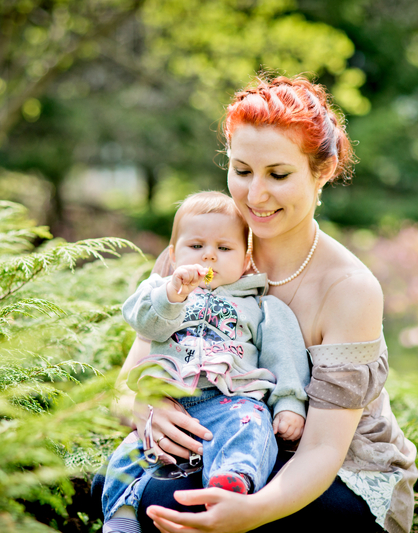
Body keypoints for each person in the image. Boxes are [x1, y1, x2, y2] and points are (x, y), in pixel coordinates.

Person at [101, 74, 418, 533]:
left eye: (279, 175)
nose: (255, 195)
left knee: (176, 503)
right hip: (219, 439)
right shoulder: (194, 253)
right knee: (135, 494)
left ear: (323, 171)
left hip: (333, 470)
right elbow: (127, 383)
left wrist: (251, 513)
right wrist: (145, 407)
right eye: (242, 170)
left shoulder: (349, 288)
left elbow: (323, 449)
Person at [101, 191, 310, 533]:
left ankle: (229, 483)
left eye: (224, 248)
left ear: (246, 260)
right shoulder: (161, 293)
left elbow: (283, 356)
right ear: (173, 255)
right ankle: (121, 517)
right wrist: (172, 295)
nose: (209, 255)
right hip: (168, 399)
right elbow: (145, 323)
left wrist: (289, 403)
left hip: (230, 400)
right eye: (196, 246)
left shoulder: (260, 306)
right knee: (132, 451)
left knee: (251, 425)